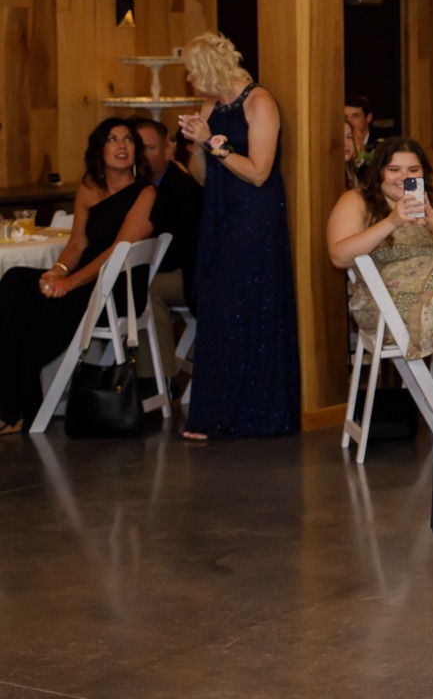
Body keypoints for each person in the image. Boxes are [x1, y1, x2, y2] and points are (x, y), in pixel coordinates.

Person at [177, 31, 299, 439]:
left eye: (192, 71)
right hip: (220, 214)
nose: (190, 79)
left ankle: (252, 414)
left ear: (209, 68)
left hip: (254, 217)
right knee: (215, 306)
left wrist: (212, 144)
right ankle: (215, 412)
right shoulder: (211, 104)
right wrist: (196, 146)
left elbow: (260, 172)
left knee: (249, 306)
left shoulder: (259, 101)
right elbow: (200, 177)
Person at [0, 119, 157, 433]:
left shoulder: (146, 193)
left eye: (128, 139)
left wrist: (69, 283)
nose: (122, 145)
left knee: (29, 318)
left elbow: (116, 252)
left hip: (116, 289)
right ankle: (17, 406)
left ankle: (14, 409)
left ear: (135, 150)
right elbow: (77, 245)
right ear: (100, 150)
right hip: (85, 280)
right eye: (113, 139)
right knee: (16, 283)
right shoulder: (89, 187)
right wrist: (55, 273)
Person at [327, 137, 433, 360]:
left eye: (413, 170)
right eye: (394, 169)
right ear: (380, 172)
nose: (404, 178)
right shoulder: (357, 200)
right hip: (386, 303)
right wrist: (392, 221)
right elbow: (339, 257)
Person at [128, 117, 205, 385]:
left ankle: (158, 380)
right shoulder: (134, 186)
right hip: (160, 268)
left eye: (149, 148)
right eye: (137, 148)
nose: (142, 155)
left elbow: (177, 252)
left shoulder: (181, 189)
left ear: (166, 151)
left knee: (147, 289)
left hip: (191, 274)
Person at [343, 94, 377, 182]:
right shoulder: (340, 142)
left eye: (355, 116)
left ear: (368, 118)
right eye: (345, 117)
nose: (349, 121)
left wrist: (361, 153)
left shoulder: (382, 142)